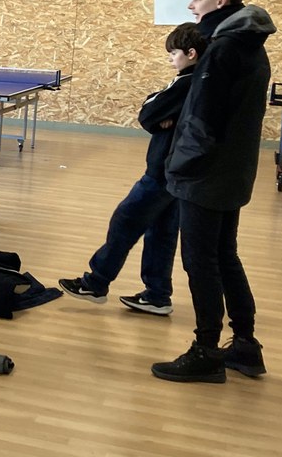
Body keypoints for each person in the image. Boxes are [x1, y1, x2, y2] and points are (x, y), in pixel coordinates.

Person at [152, 0, 277, 383]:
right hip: (232, 170)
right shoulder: (249, 45)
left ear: (220, 1)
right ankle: (245, 345)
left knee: (200, 261)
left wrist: (179, 166)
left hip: (205, 174)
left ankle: (206, 351)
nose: (191, 5)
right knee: (225, 255)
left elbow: (202, 119)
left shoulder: (222, 49)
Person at [59, 23, 208, 315]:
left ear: (191, 54)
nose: (170, 58)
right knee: (162, 232)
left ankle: (96, 282)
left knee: (125, 220)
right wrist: (159, 116)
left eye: (174, 53)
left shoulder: (185, 82)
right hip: (178, 173)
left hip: (162, 171)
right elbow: (154, 112)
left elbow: (148, 111)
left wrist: (159, 117)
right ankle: (157, 295)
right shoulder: (202, 80)